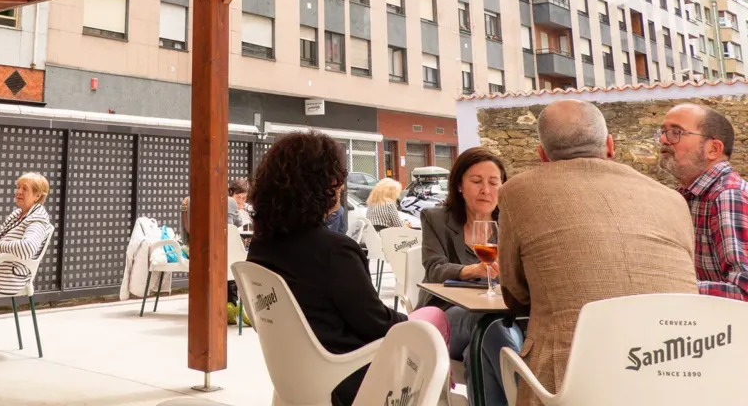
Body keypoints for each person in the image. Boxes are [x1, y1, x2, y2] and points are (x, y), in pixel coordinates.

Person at [500, 100, 698, 406]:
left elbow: (514, 293)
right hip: (682, 376)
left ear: (542, 156)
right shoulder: (672, 200)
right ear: (610, 145)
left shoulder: (517, 191)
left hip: (573, 385)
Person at [246, 131, 449, 406]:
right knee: (436, 319)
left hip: (294, 378)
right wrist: (418, 323)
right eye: (339, 180)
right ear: (327, 184)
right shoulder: (334, 251)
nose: (341, 187)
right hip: (351, 379)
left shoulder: (260, 248)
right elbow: (377, 325)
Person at [419, 147, 522, 406]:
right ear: (460, 186)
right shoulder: (436, 219)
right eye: (476, 182)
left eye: (493, 183)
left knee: (478, 350)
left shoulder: (512, 224)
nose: (486, 190)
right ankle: (527, 399)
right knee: (490, 323)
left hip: (500, 314)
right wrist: (473, 270)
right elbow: (434, 267)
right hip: (449, 314)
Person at [657, 102, 748, 301]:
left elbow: (744, 291)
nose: (663, 139)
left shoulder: (726, 195)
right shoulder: (688, 195)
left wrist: (669, 287)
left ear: (713, 149)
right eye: (663, 132)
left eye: (676, 132)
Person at [0, 172, 53, 297]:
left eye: (24, 188)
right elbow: (0, 236)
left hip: (9, 277)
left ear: (37, 196)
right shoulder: (17, 214)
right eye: (18, 187)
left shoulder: (37, 219)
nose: (19, 191)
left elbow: (28, 248)